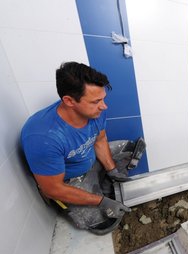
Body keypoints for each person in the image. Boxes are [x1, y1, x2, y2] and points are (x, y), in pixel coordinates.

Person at [21, 62, 146, 234]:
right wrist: (101, 202)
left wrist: (112, 170)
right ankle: (93, 193)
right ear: (69, 101)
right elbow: (53, 188)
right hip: (69, 181)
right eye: (96, 101)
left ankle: (104, 181)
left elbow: (100, 140)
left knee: (130, 148)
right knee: (105, 222)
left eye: (103, 99)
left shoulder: (95, 111)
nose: (104, 106)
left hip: (89, 159)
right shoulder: (43, 137)